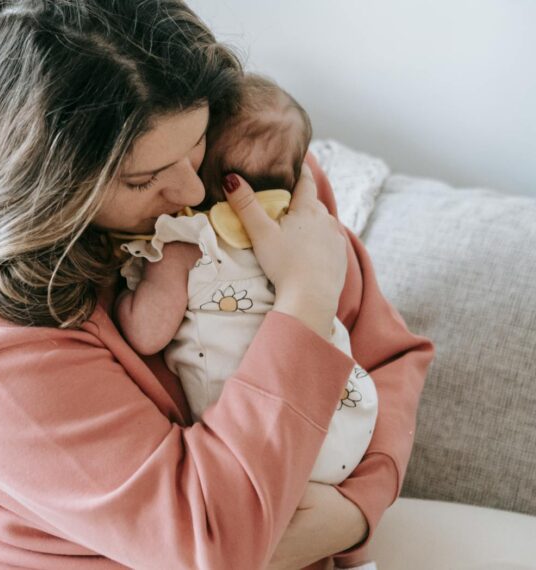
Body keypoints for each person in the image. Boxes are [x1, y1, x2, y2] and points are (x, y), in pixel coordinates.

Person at [0, 1, 435, 569]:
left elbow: (388, 356)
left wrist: (356, 510)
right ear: (47, 186)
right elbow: (210, 539)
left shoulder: (244, 171)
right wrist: (305, 300)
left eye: (195, 142)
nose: (189, 191)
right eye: (143, 178)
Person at [113, 73, 381, 567]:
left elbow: (146, 332)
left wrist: (127, 293)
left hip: (263, 441)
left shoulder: (183, 241)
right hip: (351, 414)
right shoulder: (307, 227)